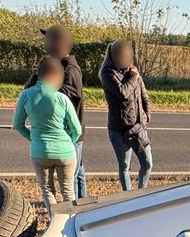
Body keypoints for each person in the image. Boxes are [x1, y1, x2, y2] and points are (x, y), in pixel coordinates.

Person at [24, 26, 87, 201]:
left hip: (68, 136)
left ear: (60, 43)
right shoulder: (62, 67)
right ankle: (83, 206)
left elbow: (49, 95)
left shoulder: (69, 70)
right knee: (79, 173)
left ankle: (76, 212)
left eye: (49, 40)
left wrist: (37, 80)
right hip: (70, 134)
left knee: (70, 181)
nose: (46, 44)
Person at [13, 56, 82, 207]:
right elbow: (77, 129)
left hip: (40, 151)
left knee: (47, 191)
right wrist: (69, 141)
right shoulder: (62, 98)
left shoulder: (25, 95)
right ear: (57, 77)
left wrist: (34, 138)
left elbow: (17, 125)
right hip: (65, 152)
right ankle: (70, 223)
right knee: (68, 191)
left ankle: (54, 223)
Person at [99, 40, 153, 190]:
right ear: (113, 55)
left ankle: (142, 191)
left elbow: (145, 96)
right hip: (119, 131)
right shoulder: (107, 73)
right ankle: (128, 196)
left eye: (127, 56)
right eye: (121, 56)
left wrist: (147, 115)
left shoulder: (132, 71)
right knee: (124, 166)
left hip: (138, 129)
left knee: (147, 163)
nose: (125, 59)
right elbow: (123, 93)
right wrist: (134, 77)